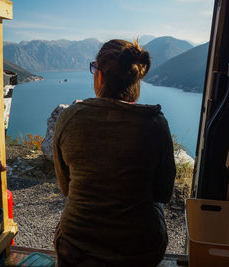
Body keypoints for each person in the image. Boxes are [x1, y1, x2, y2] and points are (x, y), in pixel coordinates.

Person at [53, 39, 176, 267]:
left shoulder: (69, 118)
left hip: (76, 248)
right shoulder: (155, 124)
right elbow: (163, 193)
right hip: (139, 252)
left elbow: (66, 188)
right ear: (136, 78)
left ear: (99, 75)